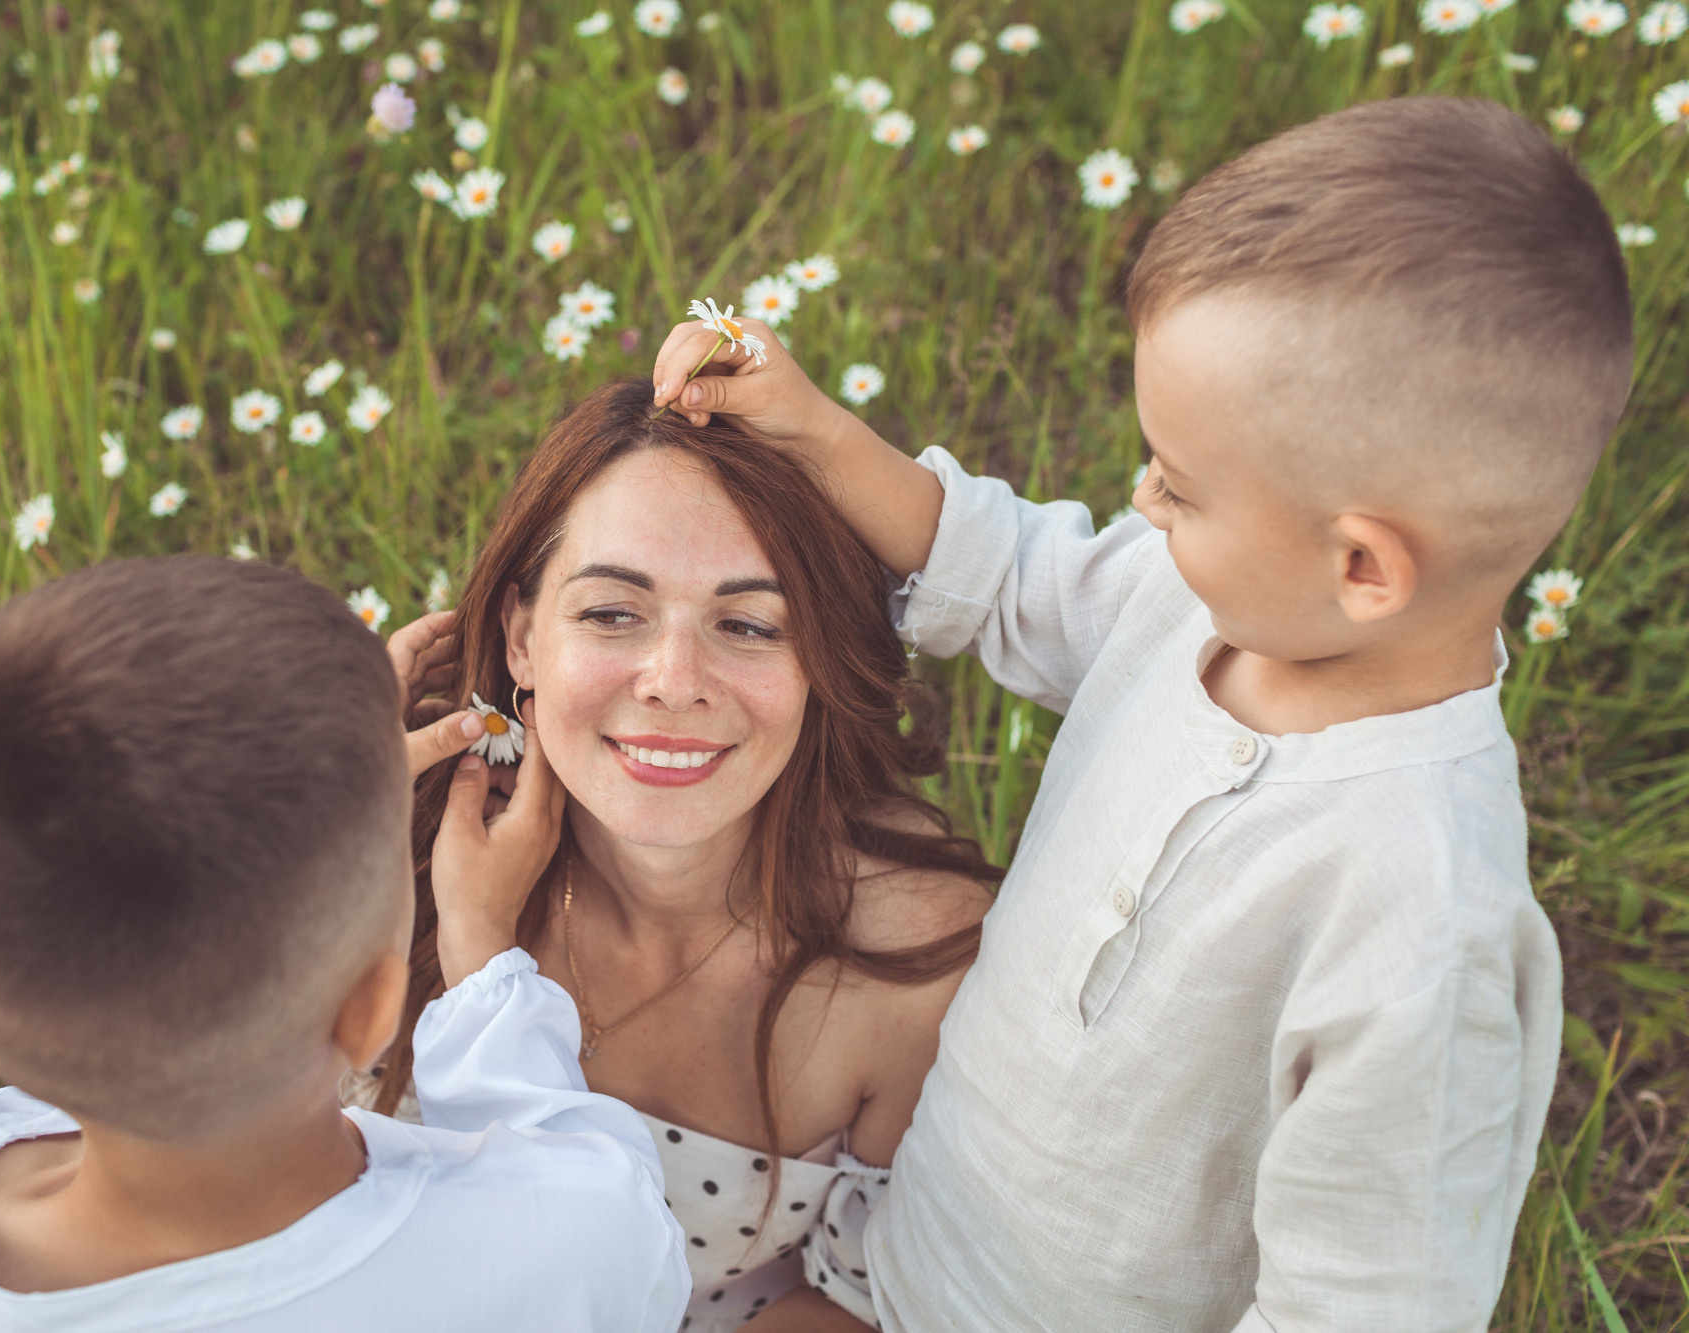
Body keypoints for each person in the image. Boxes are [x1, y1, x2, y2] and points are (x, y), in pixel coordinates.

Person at [649, 97, 1626, 1330]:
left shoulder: (1420, 917)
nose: (1140, 497)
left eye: (1177, 479)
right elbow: (1005, 573)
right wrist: (817, 431)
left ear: (1362, 568)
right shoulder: (1199, 606)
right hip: (897, 1267)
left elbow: (1362, 1303)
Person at [0, 556, 690, 1332]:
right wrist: (481, 950)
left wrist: (335, 776)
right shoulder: (559, 1243)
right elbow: (615, 1204)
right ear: (368, 1011)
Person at [369, 380, 999, 1331]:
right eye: (613, 613)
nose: (674, 683)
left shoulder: (914, 956)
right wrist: (293, 815)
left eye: (746, 623)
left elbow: (855, 1303)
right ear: (521, 637)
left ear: (819, 658)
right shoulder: (379, 850)